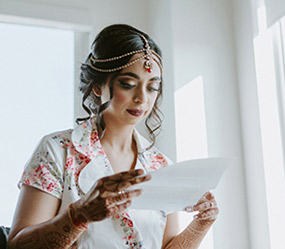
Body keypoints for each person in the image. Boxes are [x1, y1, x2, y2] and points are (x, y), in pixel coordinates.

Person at [7, 24, 219, 249]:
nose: (141, 98)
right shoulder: (57, 151)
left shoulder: (161, 166)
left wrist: (202, 224)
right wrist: (80, 215)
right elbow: (18, 246)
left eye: (152, 87)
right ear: (98, 86)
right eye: (128, 84)